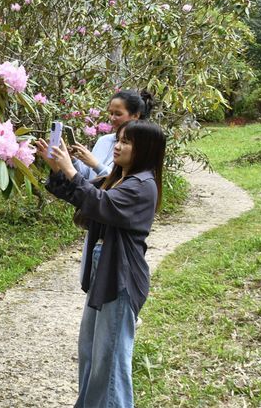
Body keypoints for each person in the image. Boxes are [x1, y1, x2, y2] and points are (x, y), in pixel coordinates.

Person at [35, 120, 166, 408]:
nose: (117, 146)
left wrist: (71, 169)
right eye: (118, 140)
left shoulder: (142, 186)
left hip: (120, 275)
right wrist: (58, 168)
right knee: (91, 353)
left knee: (109, 359)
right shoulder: (120, 178)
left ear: (145, 149)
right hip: (104, 269)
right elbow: (78, 194)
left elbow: (101, 204)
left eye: (127, 142)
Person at [71, 89, 154, 181]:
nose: (112, 118)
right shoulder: (103, 140)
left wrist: (95, 164)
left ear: (135, 116)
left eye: (118, 114)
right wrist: (73, 159)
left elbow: (125, 182)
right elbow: (88, 175)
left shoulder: (140, 147)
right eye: (111, 113)